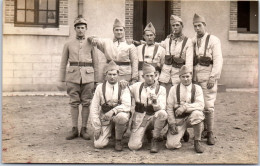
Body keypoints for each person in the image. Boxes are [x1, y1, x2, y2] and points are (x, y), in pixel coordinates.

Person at [58, 16, 98, 140]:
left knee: (86, 102)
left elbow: (96, 63)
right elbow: (63, 63)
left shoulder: (91, 43)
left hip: (88, 77)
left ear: (86, 29)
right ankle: (74, 128)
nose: (80, 30)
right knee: (74, 102)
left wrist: (96, 80)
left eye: (83, 28)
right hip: (73, 76)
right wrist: (62, 79)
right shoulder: (68, 44)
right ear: (75, 29)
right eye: (78, 28)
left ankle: (84, 128)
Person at [121, 63, 167, 153]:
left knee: (163, 114)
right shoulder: (137, 86)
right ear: (143, 76)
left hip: (154, 116)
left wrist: (155, 102)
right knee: (133, 146)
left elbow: (162, 106)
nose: (150, 78)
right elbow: (126, 90)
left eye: (152, 76)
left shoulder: (161, 89)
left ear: (156, 75)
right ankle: (145, 132)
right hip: (140, 117)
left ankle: (155, 138)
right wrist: (123, 84)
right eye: (147, 76)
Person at [192, 13, 223, 145]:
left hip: (207, 76)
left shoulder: (213, 40)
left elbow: (218, 60)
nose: (197, 28)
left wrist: (213, 77)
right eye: (195, 26)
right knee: (199, 104)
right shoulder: (193, 40)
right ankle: (203, 130)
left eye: (199, 25)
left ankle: (210, 132)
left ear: (204, 25)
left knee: (208, 105)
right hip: (195, 76)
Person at [90, 61, 131, 151]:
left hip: (119, 115)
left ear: (118, 75)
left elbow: (127, 105)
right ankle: (110, 131)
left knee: (122, 117)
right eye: (110, 74)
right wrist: (97, 126)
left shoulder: (123, 86)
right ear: (106, 75)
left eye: (114, 74)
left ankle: (118, 140)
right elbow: (94, 107)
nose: (112, 77)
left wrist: (113, 111)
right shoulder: (100, 87)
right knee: (99, 144)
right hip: (105, 117)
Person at [166, 65, 205, 153]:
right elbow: (169, 107)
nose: (186, 79)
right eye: (183, 77)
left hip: (191, 118)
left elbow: (201, 105)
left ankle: (197, 141)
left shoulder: (197, 88)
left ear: (191, 76)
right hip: (178, 120)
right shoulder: (173, 89)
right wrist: (172, 123)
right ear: (179, 77)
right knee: (171, 145)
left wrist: (185, 107)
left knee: (198, 114)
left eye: (187, 76)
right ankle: (183, 132)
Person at [88, 18, 138, 84]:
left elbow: (134, 62)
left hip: (124, 74)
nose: (119, 32)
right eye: (116, 30)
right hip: (110, 73)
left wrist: (134, 78)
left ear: (124, 31)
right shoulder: (107, 42)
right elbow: (90, 38)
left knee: (123, 92)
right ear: (113, 31)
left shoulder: (130, 45)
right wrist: (93, 39)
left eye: (121, 30)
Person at [158, 15, 193, 91]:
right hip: (165, 76)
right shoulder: (168, 39)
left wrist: (188, 77)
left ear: (182, 26)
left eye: (177, 25)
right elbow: (159, 45)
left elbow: (189, 62)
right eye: (173, 25)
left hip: (178, 77)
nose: (175, 27)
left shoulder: (188, 41)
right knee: (164, 98)